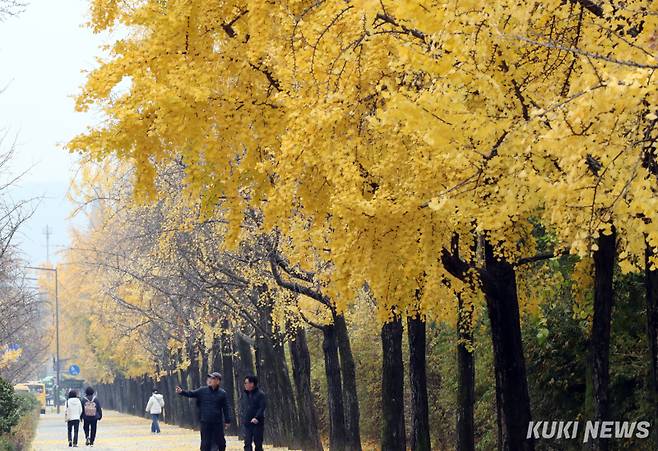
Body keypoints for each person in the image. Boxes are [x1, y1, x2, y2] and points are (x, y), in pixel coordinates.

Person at [176, 372, 232, 451]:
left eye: (213, 378)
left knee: (220, 442)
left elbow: (226, 407)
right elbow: (191, 393)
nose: (210, 380)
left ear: (218, 381)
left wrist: (227, 420)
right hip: (205, 422)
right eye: (210, 378)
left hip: (217, 423)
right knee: (205, 443)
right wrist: (182, 392)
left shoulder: (222, 393)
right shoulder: (202, 390)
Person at [240, 375, 266, 451]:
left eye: (246, 383)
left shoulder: (260, 394)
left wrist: (256, 417)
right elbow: (243, 407)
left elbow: (262, 407)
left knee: (258, 444)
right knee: (247, 443)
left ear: (252, 384)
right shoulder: (245, 394)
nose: (245, 385)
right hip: (247, 423)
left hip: (257, 423)